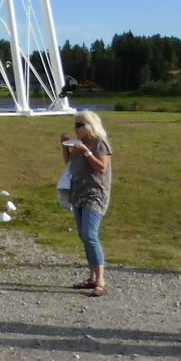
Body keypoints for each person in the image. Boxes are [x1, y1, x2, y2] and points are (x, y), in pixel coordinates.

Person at [62, 112, 113, 296]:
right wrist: (64, 147)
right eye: (75, 125)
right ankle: (92, 277)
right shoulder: (77, 144)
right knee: (83, 235)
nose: (76, 128)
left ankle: (100, 280)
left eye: (79, 125)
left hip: (95, 193)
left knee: (90, 234)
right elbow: (69, 163)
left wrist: (87, 152)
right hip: (78, 192)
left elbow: (101, 167)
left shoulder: (99, 143)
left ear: (89, 125)